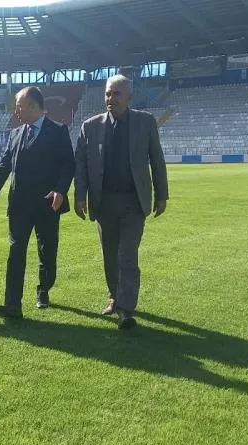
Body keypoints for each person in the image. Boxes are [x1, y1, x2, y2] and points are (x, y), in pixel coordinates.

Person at [74, 74, 169, 330]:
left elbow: (157, 161)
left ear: (129, 96)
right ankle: (115, 297)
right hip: (104, 203)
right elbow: (81, 165)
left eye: (116, 94)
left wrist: (162, 195)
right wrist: (80, 196)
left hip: (133, 202)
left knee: (127, 255)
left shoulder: (145, 123)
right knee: (109, 256)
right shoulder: (90, 126)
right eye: (107, 93)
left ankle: (126, 310)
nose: (110, 98)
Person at [0, 86, 75, 319]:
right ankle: (12, 304)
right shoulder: (15, 133)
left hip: (47, 204)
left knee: (47, 251)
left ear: (33, 107)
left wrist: (60, 190)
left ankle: (43, 289)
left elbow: (68, 165)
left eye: (19, 105)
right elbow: (5, 164)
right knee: (16, 252)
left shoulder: (58, 131)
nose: (15, 110)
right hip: (19, 206)